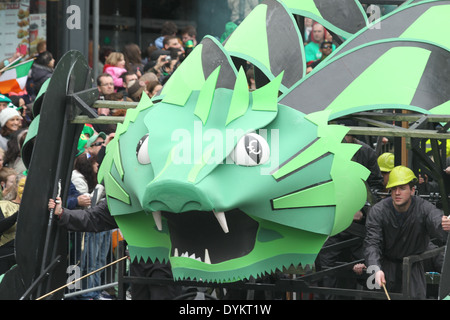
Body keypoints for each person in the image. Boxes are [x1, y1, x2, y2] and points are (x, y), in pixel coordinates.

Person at [48, 197, 182, 300]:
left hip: (168, 260)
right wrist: (62, 213)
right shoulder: (122, 193)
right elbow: (94, 217)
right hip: (139, 261)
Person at [364, 165, 450, 299]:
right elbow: (371, 243)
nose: (397, 193)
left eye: (402, 188)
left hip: (413, 269)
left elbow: (435, 219)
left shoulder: (423, 207)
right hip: (383, 267)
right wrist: (374, 268)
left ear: (412, 190)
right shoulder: (378, 211)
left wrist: (444, 224)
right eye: (394, 189)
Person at [0, 170, 22, 274]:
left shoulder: (38, 208)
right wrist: (17, 215)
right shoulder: (3, 204)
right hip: (5, 257)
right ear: (16, 186)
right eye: (22, 186)